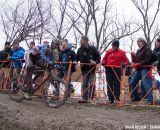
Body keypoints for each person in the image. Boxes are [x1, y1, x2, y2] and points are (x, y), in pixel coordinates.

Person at [102, 39, 129, 103]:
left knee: (117, 83)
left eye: (115, 46)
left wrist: (124, 64)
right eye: (113, 46)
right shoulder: (108, 51)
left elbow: (126, 60)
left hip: (117, 69)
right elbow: (104, 58)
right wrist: (103, 62)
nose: (113, 47)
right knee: (109, 83)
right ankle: (110, 98)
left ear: (117, 46)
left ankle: (116, 98)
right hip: (108, 69)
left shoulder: (122, 52)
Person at [77, 36, 101, 103]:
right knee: (84, 83)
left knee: (91, 82)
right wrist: (75, 61)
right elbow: (77, 57)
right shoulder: (79, 50)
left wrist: (95, 62)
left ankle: (91, 97)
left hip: (92, 69)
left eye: (82, 40)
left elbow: (98, 57)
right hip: (84, 69)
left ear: (86, 41)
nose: (80, 41)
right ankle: (84, 98)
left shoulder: (92, 49)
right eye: (80, 40)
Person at [130, 37, 153, 104]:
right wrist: (133, 57)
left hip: (145, 68)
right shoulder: (138, 50)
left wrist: (140, 63)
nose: (138, 43)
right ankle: (136, 97)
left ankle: (150, 99)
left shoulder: (147, 49)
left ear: (143, 42)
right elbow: (136, 61)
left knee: (146, 83)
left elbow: (148, 59)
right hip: (139, 69)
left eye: (139, 41)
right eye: (137, 42)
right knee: (133, 82)